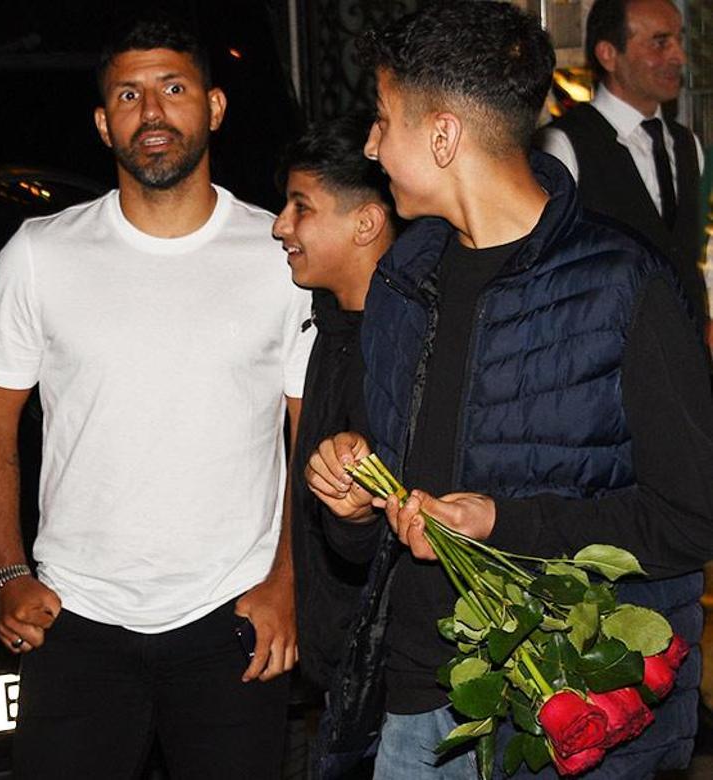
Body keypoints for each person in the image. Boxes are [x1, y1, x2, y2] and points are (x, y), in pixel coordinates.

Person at [304, 2, 713, 779]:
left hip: (569, 722)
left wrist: (503, 523)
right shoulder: (400, 282)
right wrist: (353, 503)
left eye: (382, 120)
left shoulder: (623, 287)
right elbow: (382, 530)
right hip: (417, 709)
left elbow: (692, 518)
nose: (370, 145)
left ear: (444, 136)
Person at [0, 14, 314, 780]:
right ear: (103, 122)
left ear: (213, 107)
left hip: (233, 619)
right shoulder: (41, 254)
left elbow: (308, 430)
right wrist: (6, 574)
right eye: (128, 95)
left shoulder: (280, 256)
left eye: (173, 89)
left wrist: (287, 583)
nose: (151, 112)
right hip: (75, 621)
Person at [272, 115, 397, 696]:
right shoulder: (329, 325)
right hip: (341, 667)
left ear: (365, 223)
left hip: (389, 676)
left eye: (301, 207)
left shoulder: (404, 343)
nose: (280, 226)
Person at [538, 0, 707, 332]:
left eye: (679, 41)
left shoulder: (687, 144)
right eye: (660, 43)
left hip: (686, 347)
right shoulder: (564, 146)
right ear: (608, 54)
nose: (679, 57)